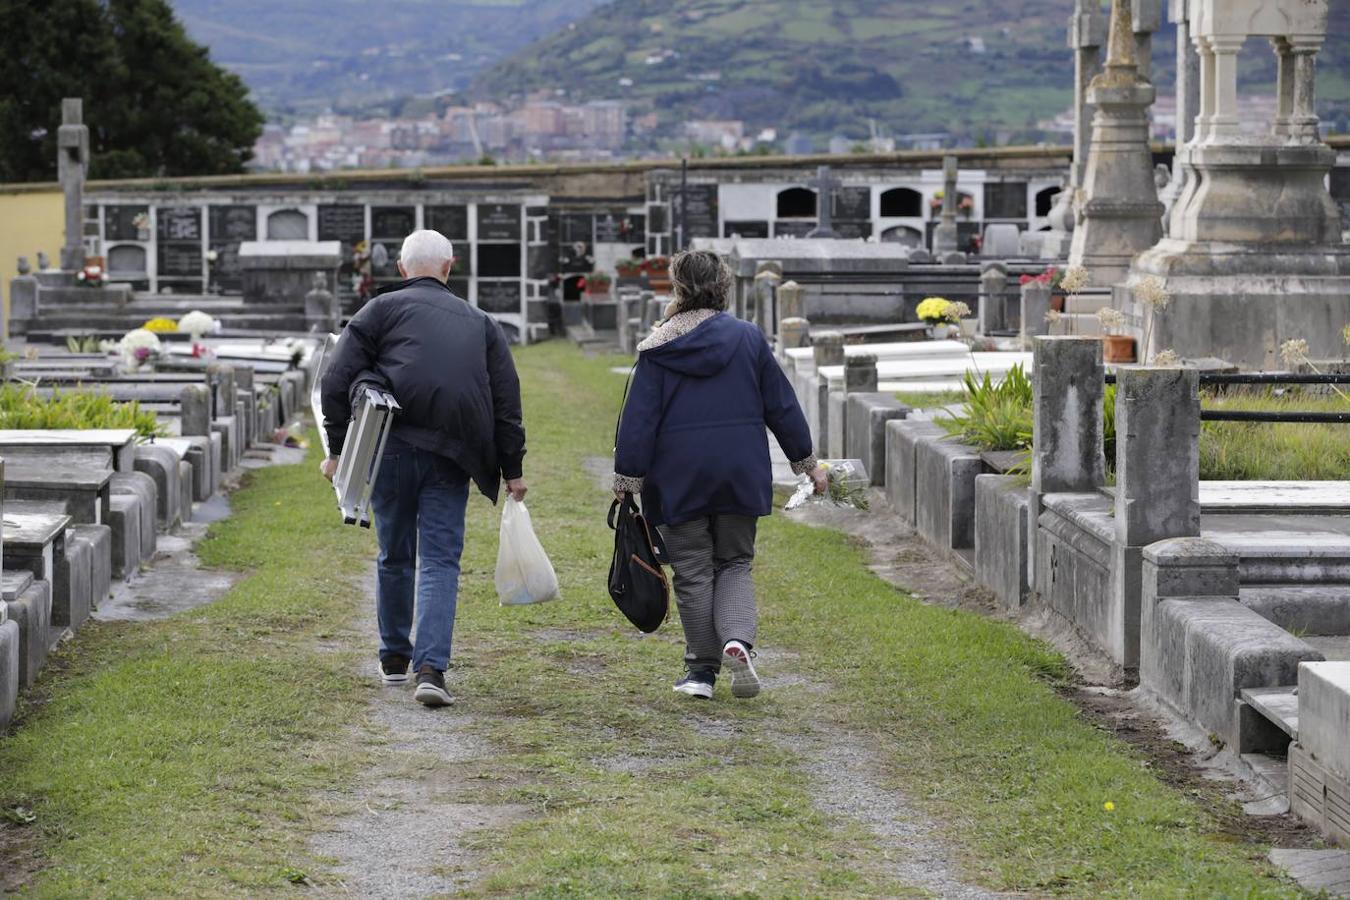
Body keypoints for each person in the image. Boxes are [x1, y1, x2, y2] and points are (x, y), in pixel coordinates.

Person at [320, 229, 527, 708]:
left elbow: (336, 377)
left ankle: (394, 657)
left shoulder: (379, 310)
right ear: (449, 266)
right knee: (439, 559)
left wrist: (336, 449)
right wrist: (512, 468)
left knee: (394, 552)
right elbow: (505, 401)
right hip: (453, 453)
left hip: (390, 445)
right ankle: (431, 669)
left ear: (401, 268)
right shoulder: (480, 323)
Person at [612, 250, 827, 701]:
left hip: (678, 477)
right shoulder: (748, 339)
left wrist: (627, 481)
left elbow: (638, 421)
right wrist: (808, 464)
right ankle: (737, 641)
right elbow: (781, 406)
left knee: (692, 570)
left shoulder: (657, 348)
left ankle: (700, 671)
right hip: (739, 471)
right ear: (723, 286)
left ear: (678, 288)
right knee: (734, 562)